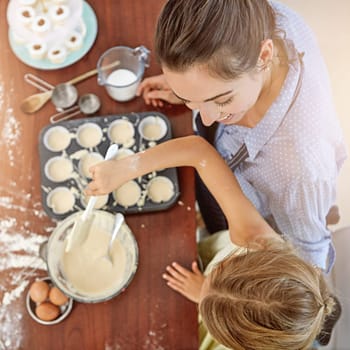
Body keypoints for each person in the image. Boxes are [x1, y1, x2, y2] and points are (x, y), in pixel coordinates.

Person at [136, 0, 347, 274]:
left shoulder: (299, 169)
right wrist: (191, 87)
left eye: (222, 99)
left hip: (249, 210)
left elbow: (309, 267)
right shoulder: (259, 16)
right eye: (194, 103)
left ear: (263, 56)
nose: (205, 118)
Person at [85, 135, 336, 350]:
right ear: (252, 254)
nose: (209, 284)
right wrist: (126, 168)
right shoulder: (256, 239)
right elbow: (197, 151)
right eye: (219, 272)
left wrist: (205, 294)